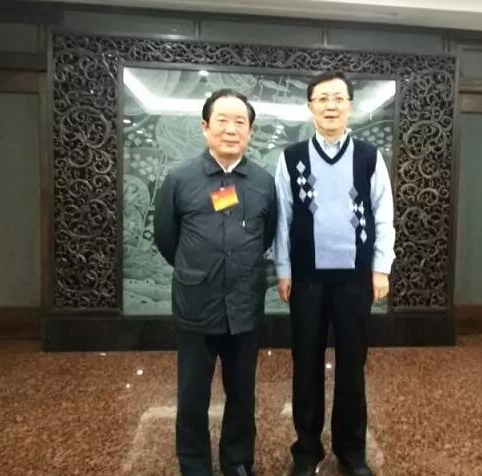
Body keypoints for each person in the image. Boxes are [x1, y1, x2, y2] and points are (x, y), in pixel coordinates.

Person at [274, 71, 395, 476]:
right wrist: (283, 269)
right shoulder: (291, 157)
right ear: (310, 106)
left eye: (338, 98)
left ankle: (351, 450)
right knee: (306, 365)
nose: (330, 105)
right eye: (322, 98)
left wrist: (380, 268)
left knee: (352, 366)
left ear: (350, 106)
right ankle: (306, 451)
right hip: (306, 278)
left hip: (355, 279)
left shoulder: (368, 156)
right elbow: (282, 217)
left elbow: (383, 213)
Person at [154, 89, 277, 476]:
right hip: (197, 303)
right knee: (192, 393)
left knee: (242, 391)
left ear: (250, 132)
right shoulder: (180, 179)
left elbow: (267, 235)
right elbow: (167, 239)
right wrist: (198, 269)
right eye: (222, 120)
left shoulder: (263, 182)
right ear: (205, 127)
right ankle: (194, 465)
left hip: (244, 303)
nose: (231, 129)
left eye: (240, 122)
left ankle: (237, 461)